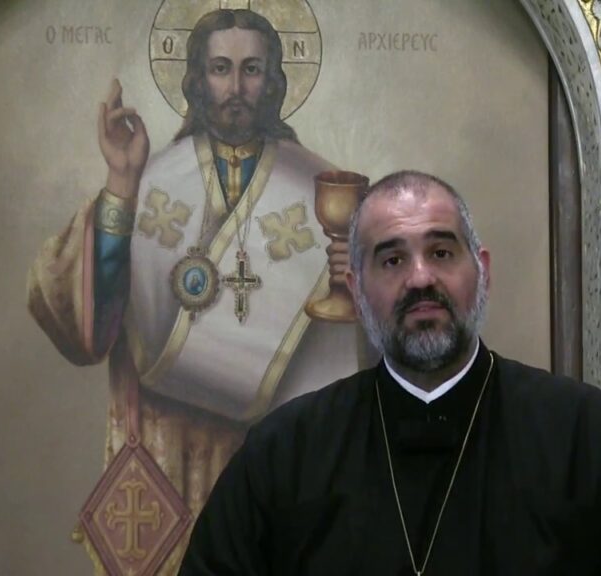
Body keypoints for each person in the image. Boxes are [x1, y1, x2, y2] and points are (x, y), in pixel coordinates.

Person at [179, 170, 601, 575]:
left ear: (482, 273)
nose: (421, 278)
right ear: (358, 293)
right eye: (392, 261)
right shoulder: (283, 452)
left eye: (440, 251)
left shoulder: (588, 435)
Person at [27, 8, 361, 573]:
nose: (236, 88)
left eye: (252, 69)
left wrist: (358, 280)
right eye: (221, 69)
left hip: (274, 448)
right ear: (197, 79)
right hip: (167, 450)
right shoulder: (147, 180)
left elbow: (360, 355)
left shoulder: (323, 190)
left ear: (275, 79)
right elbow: (89, 328)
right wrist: (121, 186)